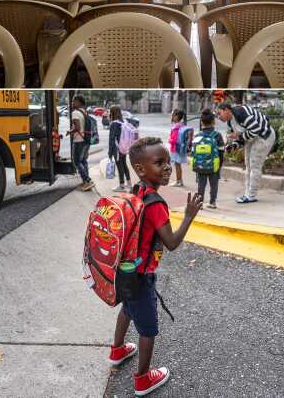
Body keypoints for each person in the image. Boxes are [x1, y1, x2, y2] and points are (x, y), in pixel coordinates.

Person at [108, 137, 203, 396]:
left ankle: (117, 351)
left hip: (126, 269)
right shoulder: (157, 204)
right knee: (148, 328)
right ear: (140, 169)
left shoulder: (137, 191)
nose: (167, 168)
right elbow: (171, 242)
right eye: (159, 163)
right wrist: (189, 217)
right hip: (142, 275)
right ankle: (142, 379)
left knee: (127, 309)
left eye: (168, 162)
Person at [216, 102, 275, 204]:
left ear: (226, 110)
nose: (218, 117)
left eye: (219, 113)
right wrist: (233, 145)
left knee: (254, 165)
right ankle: (248, 193)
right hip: (252, 138)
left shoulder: (240, 113)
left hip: (264, 136)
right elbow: (240, 137)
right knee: (248, 165)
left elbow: (256, 129)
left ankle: (251, 195)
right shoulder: (231, 122)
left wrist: (238, 137)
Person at [191, 110, 225, 209]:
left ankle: (200, 203)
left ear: (201, 122)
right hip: (214, 165)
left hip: (200, 165)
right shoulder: (217, 135)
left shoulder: (198, 136)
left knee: (201, 185)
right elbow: (221, 151)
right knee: (213, 185)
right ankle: (212, 202)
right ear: (213, 122)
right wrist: (219, 165)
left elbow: (193, 152)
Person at [70, 95, 94, 191]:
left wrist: (70, 132)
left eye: (73, 101)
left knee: (76, 161)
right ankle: (87, 181)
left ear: (79, 102)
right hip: (86, 139)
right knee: (83, 161)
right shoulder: (84, 112)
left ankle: (87, 180)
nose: (72, 103)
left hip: (79, 140)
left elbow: (78, 128)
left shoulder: (75, 112)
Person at [108, 106, 133, 192]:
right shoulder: (123, 122)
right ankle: (129, 183)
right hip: (124, 147)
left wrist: (110, 152)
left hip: (117, 148)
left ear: (112, 113)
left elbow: (112, 139)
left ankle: (121, 186)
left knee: (119, 166)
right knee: (124, 164)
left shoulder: (114, 123)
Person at [168, 109, 191, 187]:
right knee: (178, 165)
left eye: (173, 115)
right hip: (180, 148)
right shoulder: (182, 125)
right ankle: (179, 181)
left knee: (177, 165)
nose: (171, 117)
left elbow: (173, 140)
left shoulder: (176, 127)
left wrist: (169, 140)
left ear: (176, 116)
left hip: (176, 149)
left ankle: (179, 181)